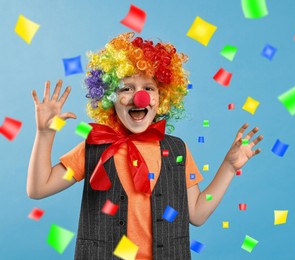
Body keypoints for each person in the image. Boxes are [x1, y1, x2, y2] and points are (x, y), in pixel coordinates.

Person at [27, 32, 263, 259]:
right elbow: (38, 189)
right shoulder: (95, 146)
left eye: (148, 88)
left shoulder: (178, 150)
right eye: (126, 88)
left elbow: (198, 213)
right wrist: (45, 134)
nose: (138, 97)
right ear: (109, 97)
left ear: (162, 98)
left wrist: (229, 168)